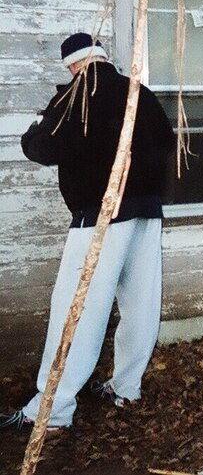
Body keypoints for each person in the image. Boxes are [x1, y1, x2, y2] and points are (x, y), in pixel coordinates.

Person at [1, 33, 174, 431]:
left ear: (74, 65)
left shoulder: (78, 95)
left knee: (76, 309)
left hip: (100, 216)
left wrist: (33, 127)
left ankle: (52, 409)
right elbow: (165, 142)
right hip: (146, 212)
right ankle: (126, 387)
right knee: (140, 302)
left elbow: (44, 148)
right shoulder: (138, 92)